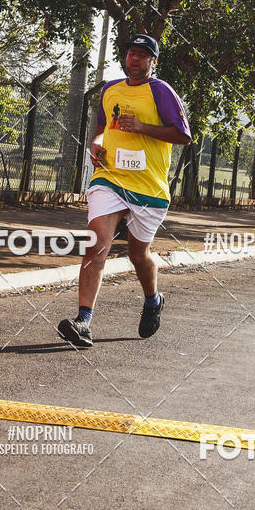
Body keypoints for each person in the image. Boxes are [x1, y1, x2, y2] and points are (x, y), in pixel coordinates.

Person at [57, 34, 191, 347]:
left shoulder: (161, 91)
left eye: (143, 55)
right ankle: (84, 321)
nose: (136, 58)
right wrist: (96, 144)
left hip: (148, 188)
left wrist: (142, 128)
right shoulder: (110, 89)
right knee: (96, 244)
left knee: (138, 255)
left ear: (153, 61)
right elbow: (102, 126)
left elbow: (183, 135)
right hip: (110, 178)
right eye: (132, 53)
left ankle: (153, 299)